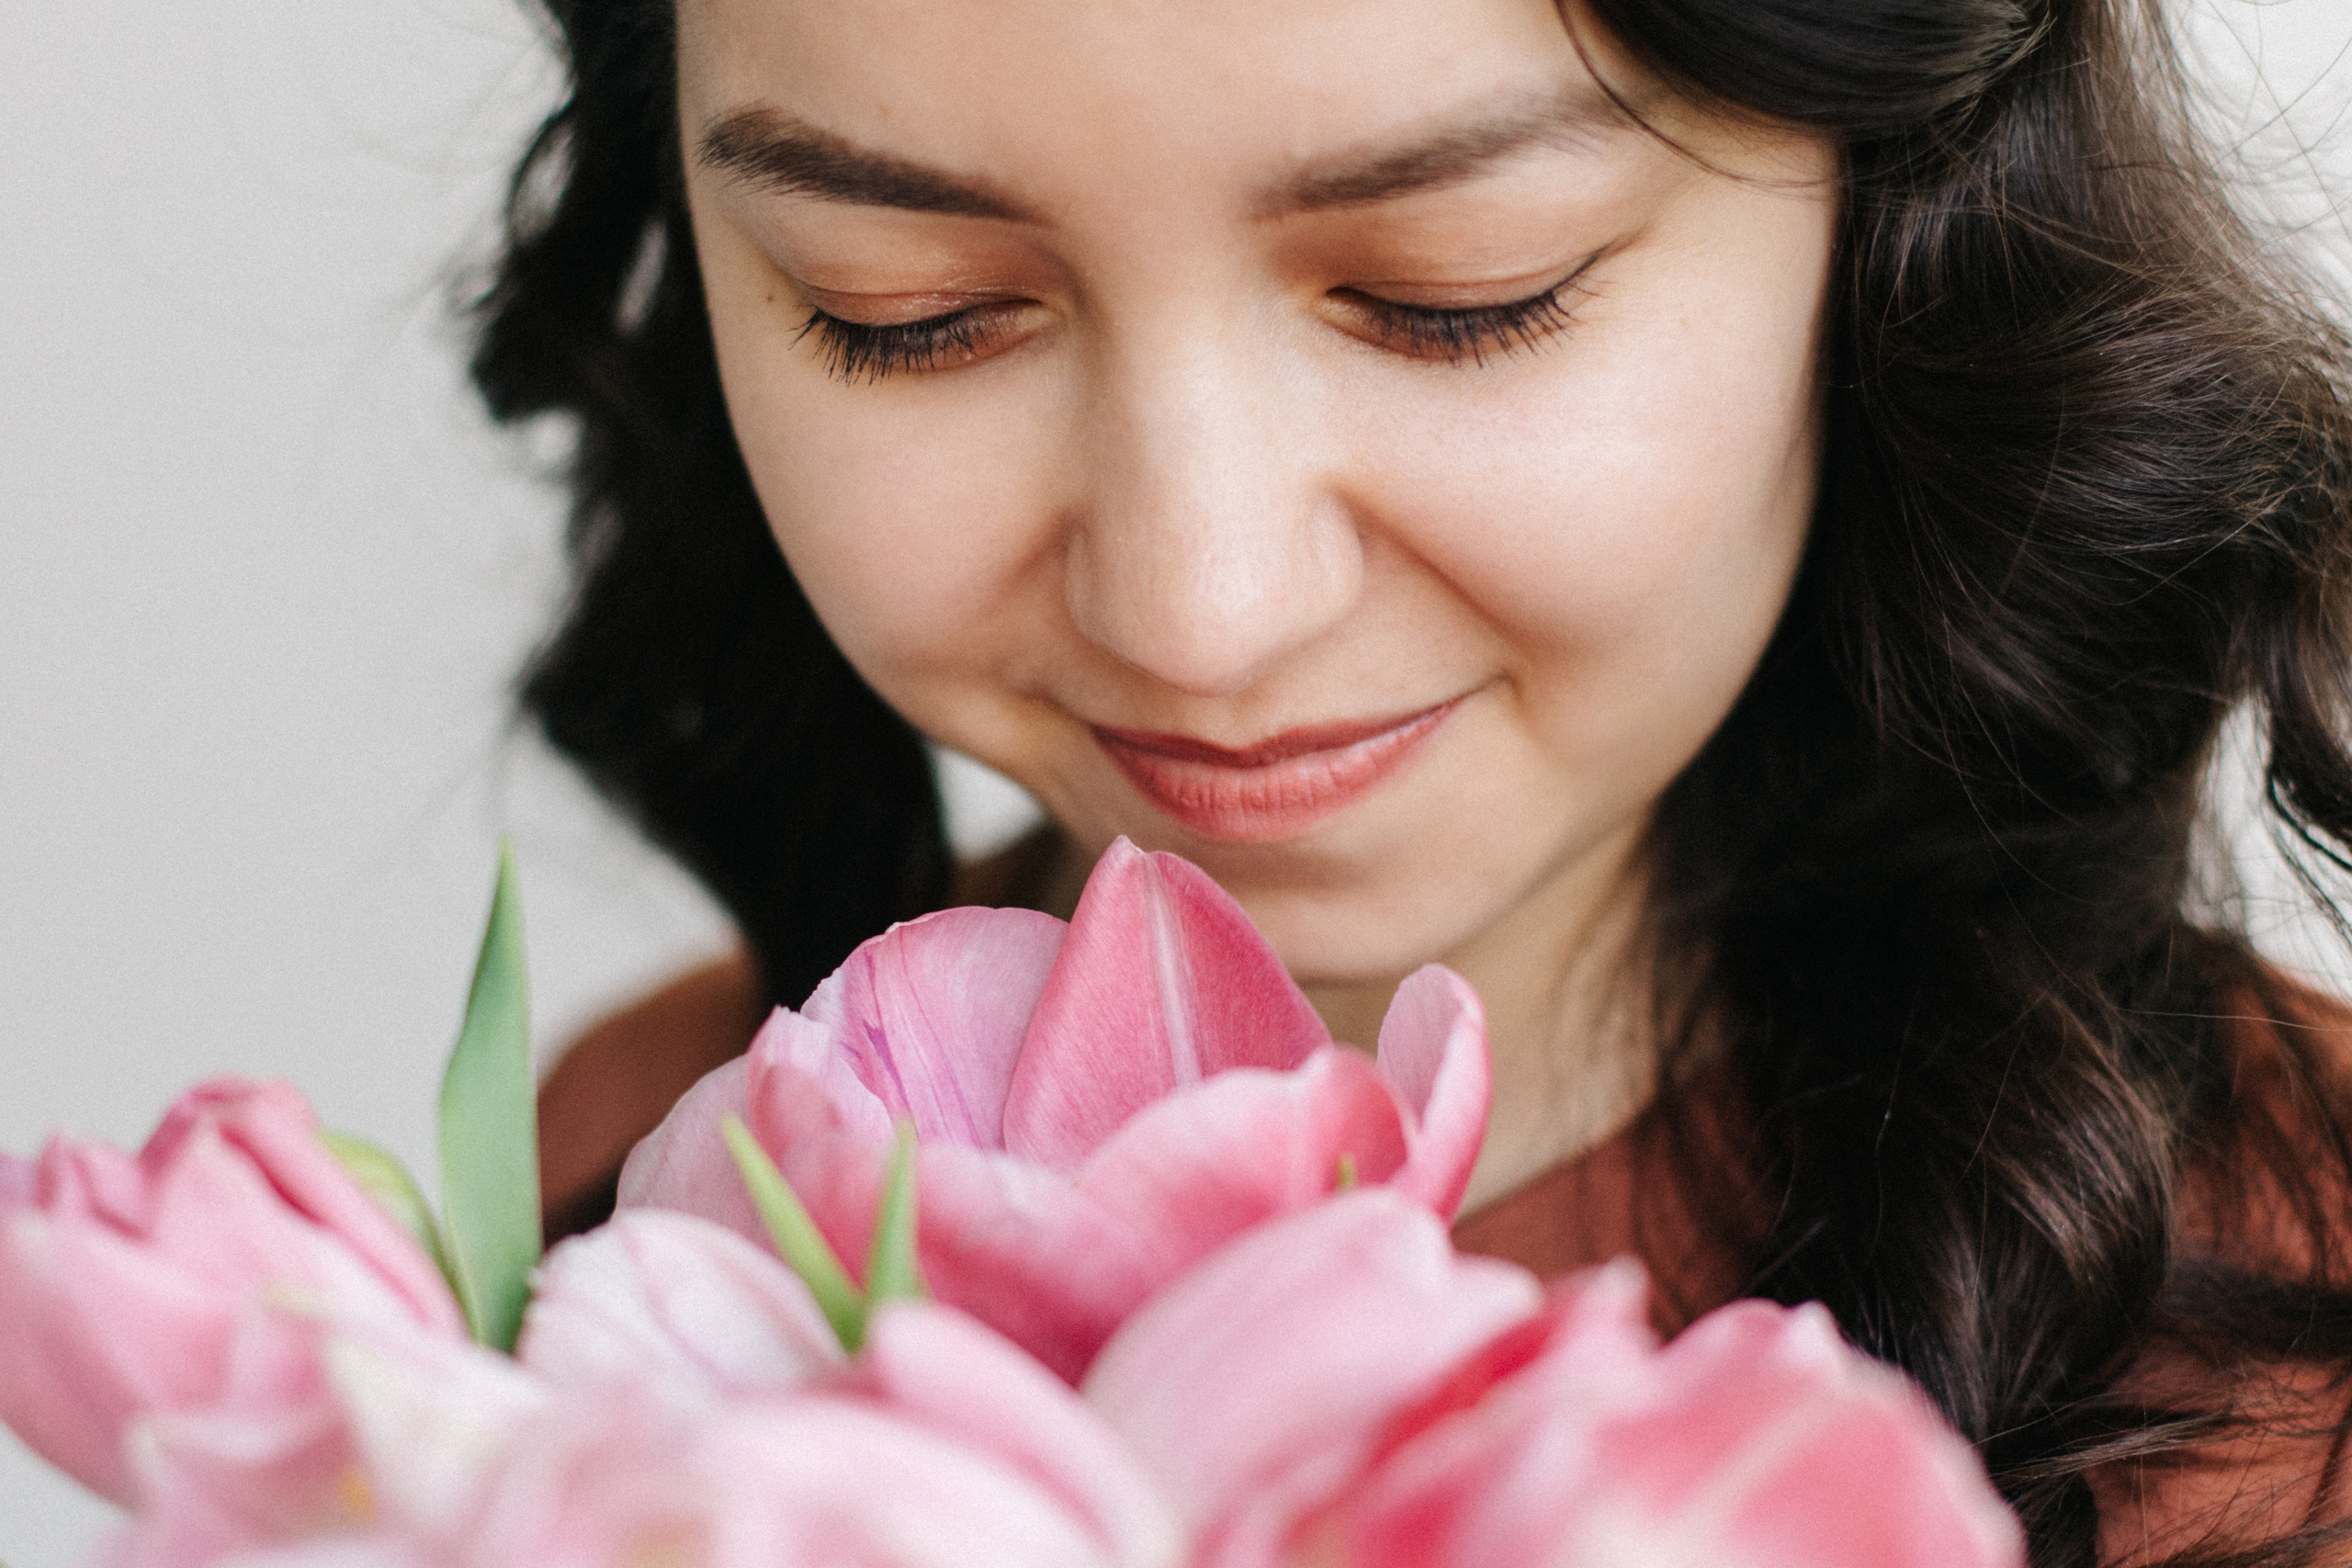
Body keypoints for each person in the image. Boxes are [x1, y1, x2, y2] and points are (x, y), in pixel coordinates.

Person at [479, 0, 2352, 1562]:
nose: (1197, 609)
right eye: (909, 306)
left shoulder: (2295, 1310)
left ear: (1884, 204)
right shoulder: (658, 1191)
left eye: (1460, 294)